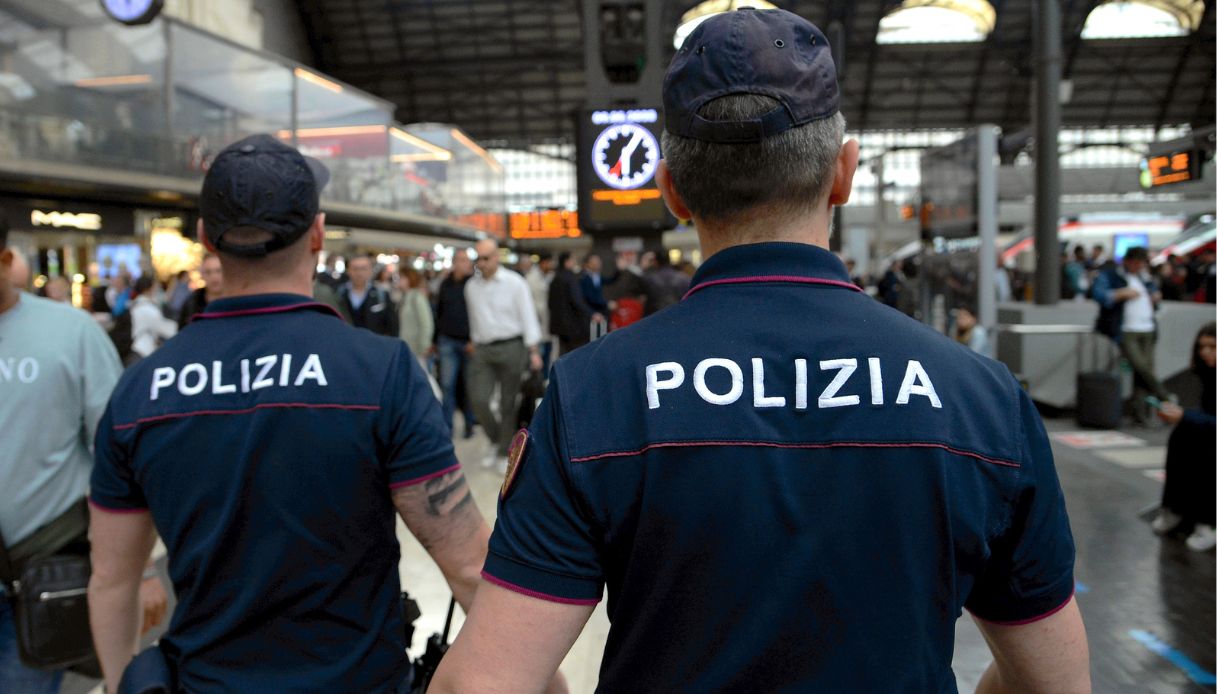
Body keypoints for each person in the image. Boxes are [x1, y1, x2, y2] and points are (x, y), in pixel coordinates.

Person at [431, 9, 1090, 693]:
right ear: (843, 172)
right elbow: (1055, 682)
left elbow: (478, 685)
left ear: (671, 191)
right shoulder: (979, 399)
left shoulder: (593, 397)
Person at [86, 134, 493, 693]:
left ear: (206, 239)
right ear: (319, 235)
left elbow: (112, 580)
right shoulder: (380, 372)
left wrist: (116, 684)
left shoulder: (140, 393)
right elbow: (470, 567)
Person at [0, 217, 165, 693]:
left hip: (35, 570)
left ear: (7, 262)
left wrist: (144, 568)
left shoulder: (69, 333)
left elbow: (118, 451)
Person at [464, 238, 543, 469]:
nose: (482, 263)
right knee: (479, 399)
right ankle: (496, 438)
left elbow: (528, 315)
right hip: (483, 348)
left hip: (512, 345)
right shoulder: (471, 287)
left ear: (497, 257)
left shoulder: (515, 283)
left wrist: (534, 350)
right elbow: (474, 319)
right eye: (477, 258)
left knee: (509, 403)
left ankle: (502, 451)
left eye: (486, 258)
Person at [1150, 322, 1216, 551]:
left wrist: (1185, 416)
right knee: (1181, 436)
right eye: (1202, 346)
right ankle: (1175, 508)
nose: (1205, 352)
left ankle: (1208, 522)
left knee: (1207, 450)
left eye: (1212, 347)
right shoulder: (1208, 374)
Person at [1092, 246, 1171, 424]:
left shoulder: (1144, 278)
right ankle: (1165, 396)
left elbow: (1154, 295)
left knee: (1142, 373)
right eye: (1135, 263)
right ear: (1127, 261)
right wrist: (1121, 294)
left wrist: (1155, 296)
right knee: (1142, 367)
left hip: (1148, 328)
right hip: (1126, 329)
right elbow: (1099, 295)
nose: (1137, 267)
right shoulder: (1111, 275)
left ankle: (1140, 414)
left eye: (1141, 264)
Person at [434, 252, 478, 437]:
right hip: (447, 340)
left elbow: (478, 315)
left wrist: (474, 339)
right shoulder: (445, 284)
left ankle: (469, 423)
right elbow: (439, 312)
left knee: (468, 385)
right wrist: (435, 340)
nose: (463, 264)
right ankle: (447, 426)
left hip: (468, 341)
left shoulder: (474, 285)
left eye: (466, 261)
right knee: (447, 385)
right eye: (459, 260)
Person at [546, 251, 600, 356]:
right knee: (575, 356)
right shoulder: (571, 278)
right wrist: (592, 314)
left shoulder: (555, 279)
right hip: (573, 326)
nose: (575, 262)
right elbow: (577, 301)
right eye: (573, 260)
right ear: (567, 262)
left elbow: (550, 303)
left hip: (559, 326)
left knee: (562, 355)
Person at [340, 253, 399, 337]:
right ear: (348, 270)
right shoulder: (339, 294)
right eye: (355, 269)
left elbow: (392, 326)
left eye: (363, 269)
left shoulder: (382, 295)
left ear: (370, 271)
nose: (359, 273)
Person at [128, 275, 178, 361]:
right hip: (143, 351)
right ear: (149, 288)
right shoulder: (148, 309)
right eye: (155, 286)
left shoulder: (137, 304)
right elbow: (165, 328)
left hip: (138, 349)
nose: (157, 289)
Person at [397, 267, 433, 364]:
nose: (398, 280)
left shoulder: (417, 297)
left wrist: (424, 346)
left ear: (410, 278)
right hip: (405, 346)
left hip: (416, 348)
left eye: (401, 277)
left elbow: (426, 323)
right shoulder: (404, 297)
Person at [177, 254, 222, 328]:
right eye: (208, 272)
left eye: (218, 271)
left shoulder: (234, 301)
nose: (214, 276)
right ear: (202, 275)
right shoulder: (191, 302)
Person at [642, 250, 691, 316]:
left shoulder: (649, 279)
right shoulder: (683, 277)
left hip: (656, 317)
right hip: (679, 315)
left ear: (655, 262)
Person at [579, 253, 609, 317]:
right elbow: (588, 297)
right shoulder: (584, 277)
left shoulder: (597, 275)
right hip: (591, 312)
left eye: (599, 261)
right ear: (588, 264)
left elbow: (609, 280)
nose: (599, 264)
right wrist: (606, 303)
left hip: (599, 310)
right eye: (595, 262)